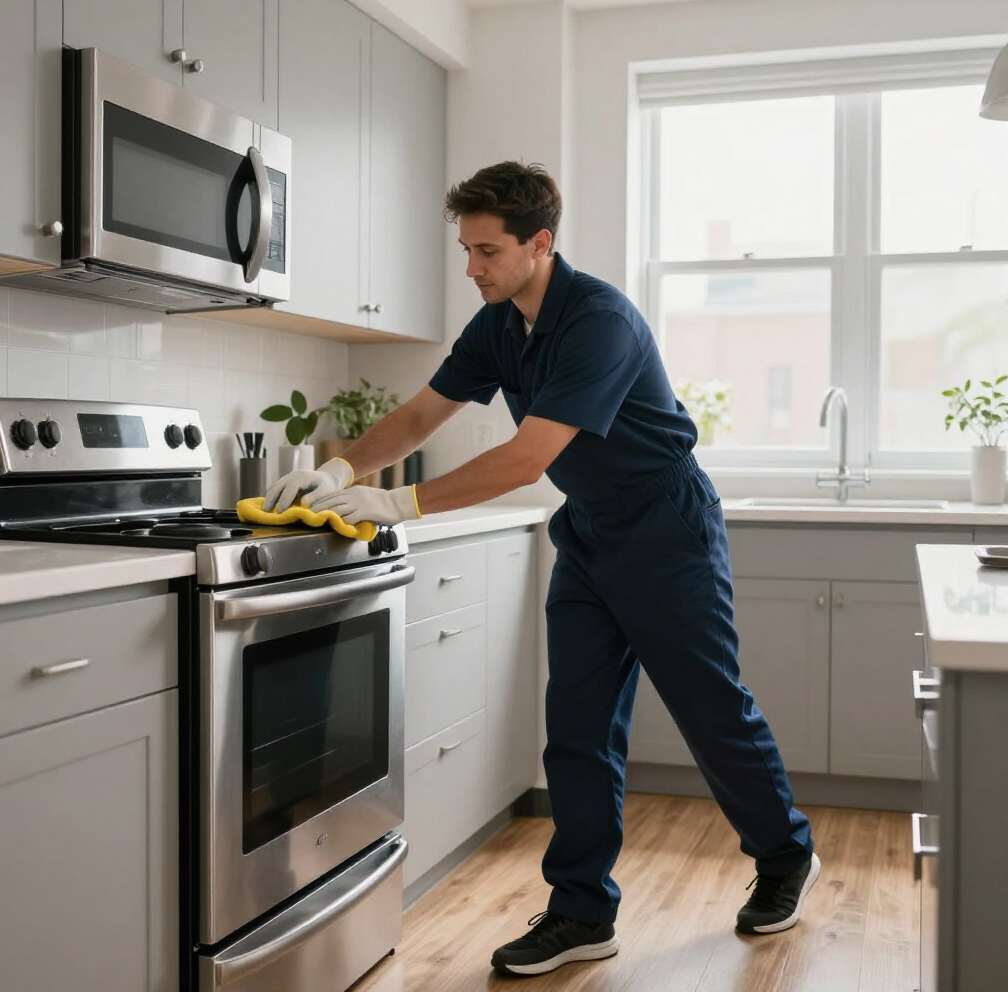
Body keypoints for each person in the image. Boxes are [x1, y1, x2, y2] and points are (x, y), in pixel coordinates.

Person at [261, 161, 819, 978]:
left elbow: (527, 458)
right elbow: (422, 414)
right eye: (467, 249)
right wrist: (341, 469)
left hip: (666, 529)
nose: (472, 268)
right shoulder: (498, 325)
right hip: (590, 533)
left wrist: (401, 506)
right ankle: (581, 912)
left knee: (710, 711)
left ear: (539, 243)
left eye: (486, 250)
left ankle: (783, 857)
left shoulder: (601, 322)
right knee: (580, 729)